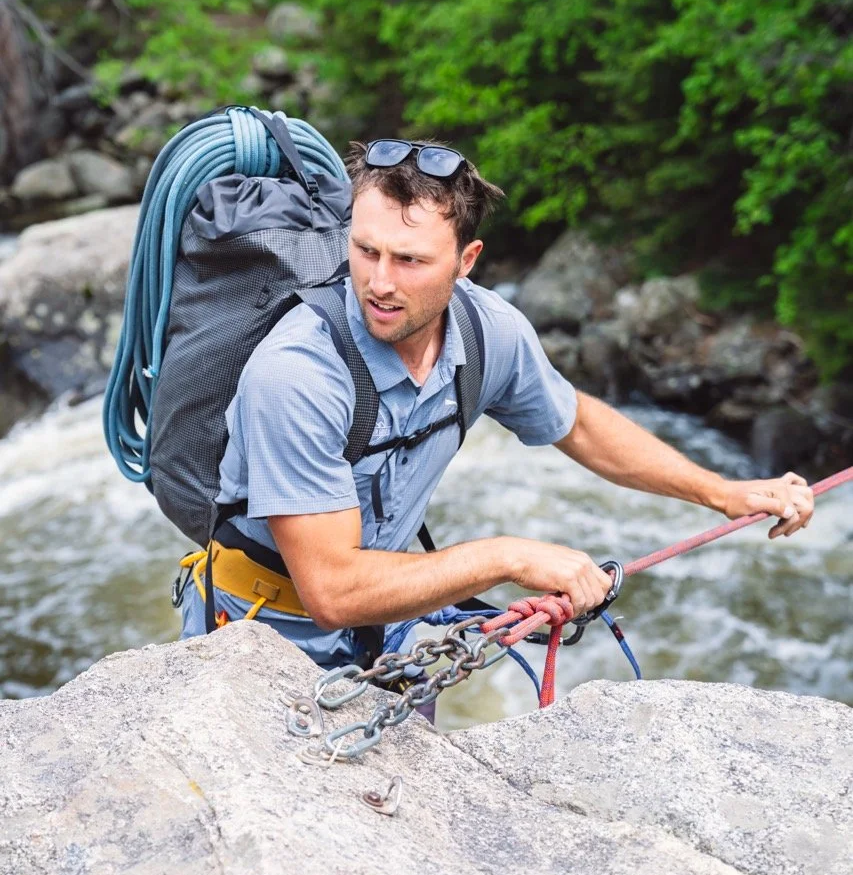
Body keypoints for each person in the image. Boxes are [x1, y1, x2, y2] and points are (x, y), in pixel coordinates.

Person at [179, 139, 814, 669]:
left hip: (390, 638)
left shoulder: (489, 333)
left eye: (410, 260)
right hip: (256, 642)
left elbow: (579, 424)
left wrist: (722, 493)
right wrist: (508, 558)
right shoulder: (298, 373)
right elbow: (334, 591)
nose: (379, 282)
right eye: (365, 250)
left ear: (466, 261)